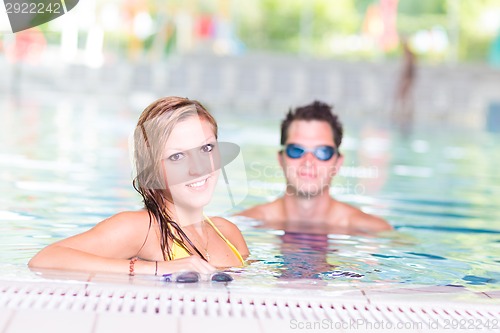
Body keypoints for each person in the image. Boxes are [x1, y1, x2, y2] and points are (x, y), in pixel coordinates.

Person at [29, 96, 249, 277]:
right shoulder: (143, 228)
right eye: (177, 156)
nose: (198, 167)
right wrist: (154, 269)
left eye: (206, 148)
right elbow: (45, 259)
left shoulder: (228, 233)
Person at [236, 101, 392, 234]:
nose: (308, 161)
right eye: (296, 150)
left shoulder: (373, 231)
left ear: (338, 163)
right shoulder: (243, 224)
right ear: (281, 159)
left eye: (323, 152)